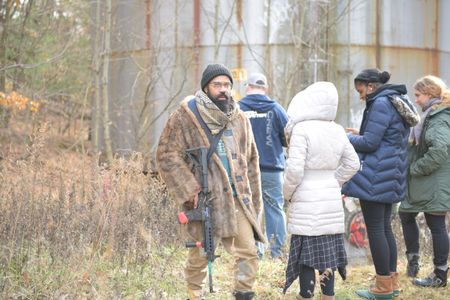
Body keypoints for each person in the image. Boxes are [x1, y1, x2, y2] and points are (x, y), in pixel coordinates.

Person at [156, 63, 265, 300]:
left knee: (248, 252)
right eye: (217, 85)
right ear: (206, 88)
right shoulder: (186, 116)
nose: (223, 90)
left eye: (227, 85)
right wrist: (188, 189)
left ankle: (243, 292)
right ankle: (194, 294)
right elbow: (166, 155)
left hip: (237, 200)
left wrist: (254, 199)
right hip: (203, 199)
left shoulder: (240, 118)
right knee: (199, 255)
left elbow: (252, 159)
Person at [342, 68, 420, 299]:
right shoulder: (395, 101)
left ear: (371, 86)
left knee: (376, 230)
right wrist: (360, 132)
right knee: (385, 228)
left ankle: (382, 287)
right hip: (391, 174)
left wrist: (344, 137)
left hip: (376, 175)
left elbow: (370, 143)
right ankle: (391, 282)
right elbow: (386, 137)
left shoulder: (380, 104)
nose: (361, 96)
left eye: (361, 91)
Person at [282, 81, 360, 300]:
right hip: (329, 196)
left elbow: (294, 170)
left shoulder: (301, 129)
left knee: (306, 252)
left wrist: (288, 193)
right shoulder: (337, 129)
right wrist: (335, 182)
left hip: (306, 194)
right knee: (328, 251)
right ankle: (328, 296)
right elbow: (353, 163)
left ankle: (306, 296)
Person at [398, 75, 450, 287]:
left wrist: (415, 168)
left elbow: (439, 151)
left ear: (429, 94)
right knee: (406, 213)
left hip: (434, 182)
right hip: (428, 181)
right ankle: (415, 263)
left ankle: (439, 275)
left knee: (436, 225)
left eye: (418, 95)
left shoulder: (438, 118)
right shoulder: (433, 115)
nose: (416, 100)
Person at [239, 72, 289, 259]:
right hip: (272, 169)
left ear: (248, 87)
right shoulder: (276, 109)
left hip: (245, 170)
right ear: (265, 89)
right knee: (275, 208)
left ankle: (255, 253)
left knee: (251, 209)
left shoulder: (238, 109)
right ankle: (276, 254)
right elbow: (288, 137)